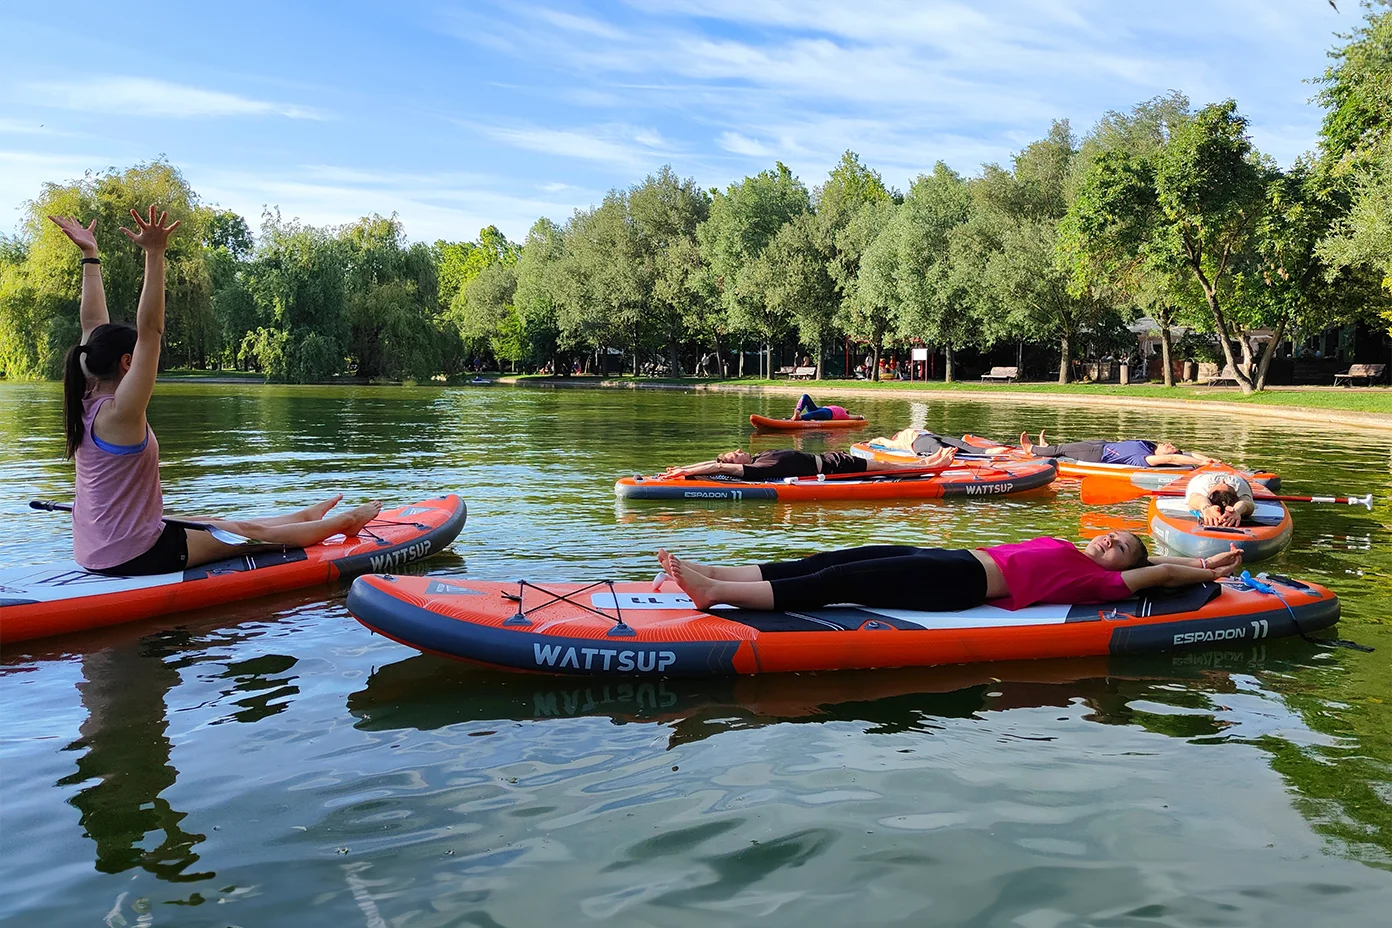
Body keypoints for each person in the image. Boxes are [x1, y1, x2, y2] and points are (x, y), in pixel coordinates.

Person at [52, 208, 382, 577]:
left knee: (219, 522)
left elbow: (93, 323)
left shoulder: (83, 394)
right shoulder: (122, 413)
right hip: (134, 554)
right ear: (128, 363)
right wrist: (155, 253)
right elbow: (151, 331)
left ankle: (301, 516)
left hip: (95, 547)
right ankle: (344, 524)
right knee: (251, 537)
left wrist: (90, 256)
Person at [657, 533, 1242, 612]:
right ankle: (718, 570)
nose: (1111, 541)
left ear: (1125, 569)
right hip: (948, 560)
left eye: (1122, 549)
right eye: (1115, 534)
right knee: (833, 559)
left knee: (840, 587)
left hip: (957, 586)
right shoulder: (1072, 547)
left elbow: (1159, 577)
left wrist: (1196, 566)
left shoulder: (1104, 583)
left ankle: (716, 595)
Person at [660, 446, 955, 481]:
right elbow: (720, 467)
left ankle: (928, 460)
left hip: (831, 458)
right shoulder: (757, 469)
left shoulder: (761, 456)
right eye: (734, 453)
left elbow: (714, 461)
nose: (738, 451)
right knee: (883, 467)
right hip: (832, 468)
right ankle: (930, 466)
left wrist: (685, 465)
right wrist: (686, 473)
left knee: (879, 462)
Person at [1019, 431, 1216, 468]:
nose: (1169, 444)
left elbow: (1176, 460)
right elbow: (1190, 453)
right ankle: (1047, 448)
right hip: (1103, 445)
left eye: (1171, 448)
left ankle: (1033, 449)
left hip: (1099, 455)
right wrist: (1210, 459)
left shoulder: (1146, 459)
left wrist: (1200, 464)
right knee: (1065, 448)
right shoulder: (1151, 446)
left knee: (1063, 449)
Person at [1184, 471, 1256, 527]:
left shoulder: (1239, 486)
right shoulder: (1201, 485)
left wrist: (1237, 511)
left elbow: (1246, 503)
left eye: (1226, 484)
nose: (1222, 481)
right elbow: (1195, 499)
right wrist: (1206, 508)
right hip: (1205, 478)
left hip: (1235, 480)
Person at [792, 394, 862, 421]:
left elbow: (855, 417)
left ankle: (800, 417)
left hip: (828, 414)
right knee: (805, 396)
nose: (844, 408)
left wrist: (861, 417)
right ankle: (798, 411)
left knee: (816, 413)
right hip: (822, 410)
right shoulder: (833, 407)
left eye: (846, 409)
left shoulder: (844, 415)